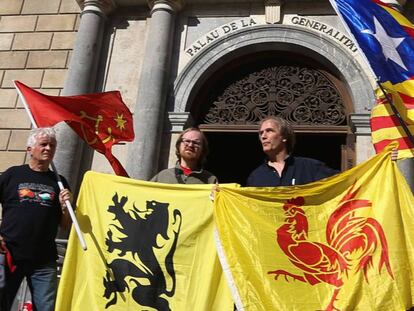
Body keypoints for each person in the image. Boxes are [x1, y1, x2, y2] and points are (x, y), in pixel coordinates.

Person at [0, 127, 72, 311]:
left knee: (45, 307)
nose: (48, 148)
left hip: (43, 259)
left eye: (52, 145)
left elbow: (65, 226)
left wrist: (66, 208)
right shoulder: (12, 175)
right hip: (9, 254)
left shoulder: (59, 181)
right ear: (30, 149)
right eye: (43, 144)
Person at [247, 116, 338, 187]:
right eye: (261, 133)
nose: (263, 136)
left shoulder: (310, 168)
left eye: (269, 131)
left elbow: (343, 182)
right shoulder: (255, 177)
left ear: (284, 137)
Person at [151, 127, 217, 184]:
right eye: (187, 141)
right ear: (178, 146)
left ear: (203, 150)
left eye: (196, 143)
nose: (190, 145)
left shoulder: (210, 180)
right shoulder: (162, 176)